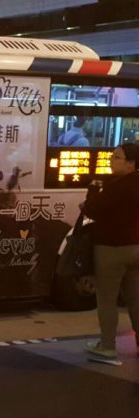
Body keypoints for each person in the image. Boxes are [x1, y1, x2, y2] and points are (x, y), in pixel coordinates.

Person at [81, 142, 139, 361]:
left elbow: (91, 209)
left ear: (131, 163)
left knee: (106, 299)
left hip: (111, 249)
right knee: (135, 298)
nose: (111, 161)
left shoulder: (116, 186)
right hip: (135, 247)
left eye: (116, 157)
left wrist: (92, 190)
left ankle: (107, 345)